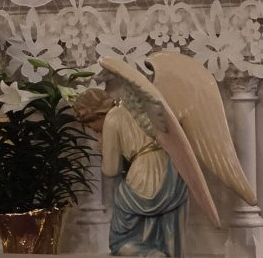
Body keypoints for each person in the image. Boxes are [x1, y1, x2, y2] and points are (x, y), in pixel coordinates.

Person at [75, 88, 189, 257]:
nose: (93, 131)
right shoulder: (134, 108)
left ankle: (151, 254)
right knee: (169, 229)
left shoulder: (112, 117)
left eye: (89, 125)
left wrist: (104, 148)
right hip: (173, 169)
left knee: (118, 242)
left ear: (95, 115)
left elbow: (111, 169)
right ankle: (167, 252)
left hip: (144, 172)